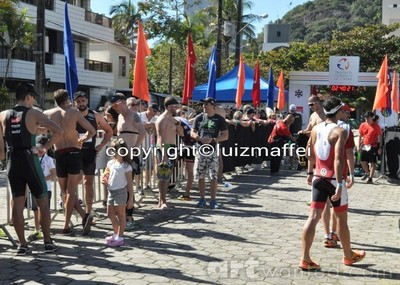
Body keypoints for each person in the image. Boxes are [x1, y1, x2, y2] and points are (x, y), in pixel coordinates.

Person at [300, 97, 366, 270]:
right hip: (333, 179)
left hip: (318, 177)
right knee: (342, 219)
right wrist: (340, 184)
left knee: (313, 217)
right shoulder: (340, 131)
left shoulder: (315, 129)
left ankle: (305, 259)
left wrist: (310, 172)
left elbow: (309, 153)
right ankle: (348, 255)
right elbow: (339, 159)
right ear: (337, 111)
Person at [0, 83, 62, 255]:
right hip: (30, 159)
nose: (34, 100)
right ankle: (48, 242)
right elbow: (58, 131)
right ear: (27, 96)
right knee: (42, 202)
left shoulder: (3, 115)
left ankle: (22, 245)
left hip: (13, 161)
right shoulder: (34, 113)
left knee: (17, 203)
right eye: (33, 97)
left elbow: (1, 151)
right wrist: (45, 147)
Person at [44, 89, 96, 236]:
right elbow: (91, 131)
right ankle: (68, 224)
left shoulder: (49, 113)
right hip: (73, 152)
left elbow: (37, 128)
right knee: (71, 192)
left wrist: (47, 131)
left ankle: (81, 217)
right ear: (67, 99)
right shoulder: (74, 113)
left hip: (59, 153)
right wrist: (82, 139)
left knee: (65, 192)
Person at [73, 91, 113, 218]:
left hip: (90, 152)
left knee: (88, 183)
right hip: (75, 152)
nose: (81, 104)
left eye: (83, 101)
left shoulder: (95, 115)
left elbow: (109, 131)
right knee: (72, 183)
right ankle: (72, 207)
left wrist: (101, 146)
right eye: (78, 102)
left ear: (87, 101)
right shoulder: (71, 115)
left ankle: (88, 212)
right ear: (75, 103)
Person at [109, 93, 145, 228]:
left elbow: (142, 133)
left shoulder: (133, 115)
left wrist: (134, 149)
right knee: (120, 184)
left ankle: (129, 216)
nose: (114, 107)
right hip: (120, 156)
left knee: (128, 185)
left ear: (121, 102)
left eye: (115, 104)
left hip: (131, 155)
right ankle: (122, 215)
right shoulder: (119, 117)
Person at [191, 97, 228, 209]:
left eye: (206, 104)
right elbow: (192, 132)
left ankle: (213, 200)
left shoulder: (220, 119)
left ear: (213, 106)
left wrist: (213, 139)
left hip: (212, 150)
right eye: (203, 104)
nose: (204, 106)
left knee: (213, 176)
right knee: (200, 176)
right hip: (200, 150)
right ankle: (202, 199)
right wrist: (198, 137)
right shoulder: (199, 118)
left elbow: (225, 135)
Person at [101, 138, 134, 247]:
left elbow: (129, 184)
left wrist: (131, 199)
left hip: (120, 192)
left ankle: (120, 236)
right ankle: (116, 233)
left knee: (121, 215)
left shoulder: (126, 166)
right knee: (110, 214)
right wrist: (104, 179)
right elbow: (106, 175)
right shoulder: (110, 163)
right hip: (111, 191)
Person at [27, 135, 56, 242]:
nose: (39, 151)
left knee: (44, 210)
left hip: (45, 189)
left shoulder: (48, 159)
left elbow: (53, 174)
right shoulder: (32, 158)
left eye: (41, 149)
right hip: (33, 188)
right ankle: (37, 229)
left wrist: (42, 179)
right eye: (37, 149)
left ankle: (46, 231)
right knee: (35, 210)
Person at [155, 96, 182, 209]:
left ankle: (163, 200)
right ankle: (162, 201)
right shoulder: (162, 119)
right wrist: (164, 154)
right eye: (175, 106)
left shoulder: (171, 119)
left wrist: (177, 123)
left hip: (171, 147)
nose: (177, 108)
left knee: (167, 176)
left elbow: (181, 133)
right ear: (169, 106)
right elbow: (161, 137)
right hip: (164, 148)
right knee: (163, 176)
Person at [358, 111, 382, 184]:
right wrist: (358, 146)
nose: (367, 119)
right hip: (364, 145)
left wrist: (380, 147)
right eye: (366, 117)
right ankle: (367, 173)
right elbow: (360, 135)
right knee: (362, 161)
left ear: (372, 118)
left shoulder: (376, 126)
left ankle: (370, 178)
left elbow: (380, 137)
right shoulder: (362, 125)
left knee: (372, 162)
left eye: (368, 117)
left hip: (373, 146)